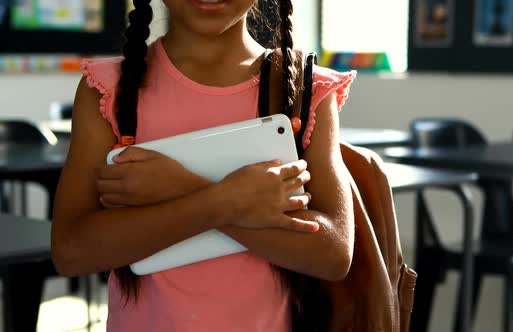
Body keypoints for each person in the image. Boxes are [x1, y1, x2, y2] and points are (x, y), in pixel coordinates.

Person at [51, 0, 356, 330]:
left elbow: (334, 254)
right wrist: (225, 201)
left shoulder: (305, 90)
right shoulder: (109, 89)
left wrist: (184, 188)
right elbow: (71, 251)